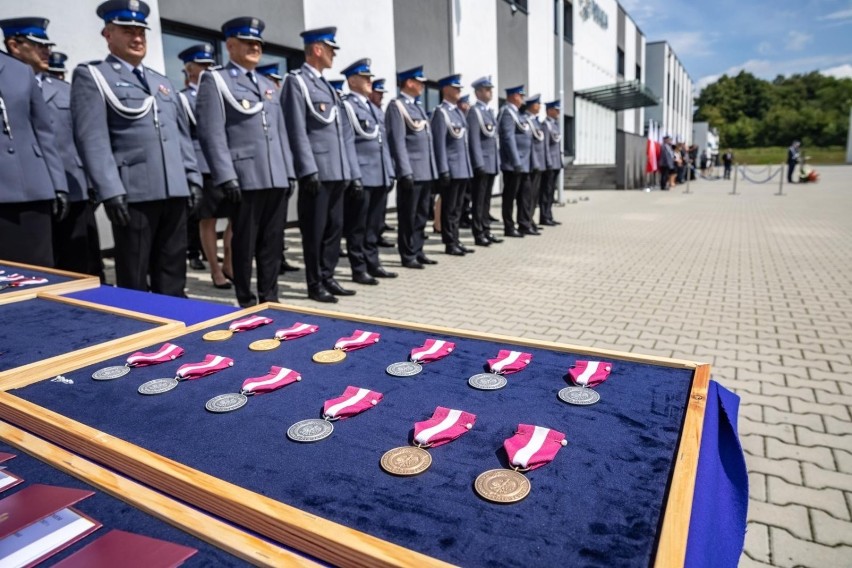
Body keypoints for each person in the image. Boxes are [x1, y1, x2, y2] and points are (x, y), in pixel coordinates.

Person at [72, 1, 201, 296]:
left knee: (172, 272)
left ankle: (176, 327)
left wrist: (192, 178)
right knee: (134, 274)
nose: (137, 37)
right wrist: (110, 190)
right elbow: (93, 139)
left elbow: (180, 136)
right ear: (108, 34)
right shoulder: (94, 76)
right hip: (134, 193)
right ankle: (138, 334)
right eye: (127, 31)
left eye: (141, 31)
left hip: (175, 191)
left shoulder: (160, 81)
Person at [196, 17, 295, 308]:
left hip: (275, 176)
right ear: (230, 45)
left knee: (272, 243)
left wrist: (288, 172)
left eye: (258, 43)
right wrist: (226, 176)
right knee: (244, 243)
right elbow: (211, 132)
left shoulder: (267, 85)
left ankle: (270, 297)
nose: (255, 47)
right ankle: (246, 299)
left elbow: (280, 132)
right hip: (244, 176)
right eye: (248, 42)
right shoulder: (216, 80)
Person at [2, 18, 102, 277]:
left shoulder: (39, 80)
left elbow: (55, 135)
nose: (45, 51)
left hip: (49, 187)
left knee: (63, 267)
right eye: (38, 45)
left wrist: (66, 184)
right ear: (14, 45)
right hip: (16, 188)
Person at [282, 26, 362, 303]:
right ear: (317, 49)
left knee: (334, 228)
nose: (333, 55)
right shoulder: (297, 82)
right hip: (317, 172)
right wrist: (307, 169)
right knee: (314, 232)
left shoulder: (328, 86)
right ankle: (314, 283)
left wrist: (351, 173)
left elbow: (342, 134)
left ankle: (328, 276)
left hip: (337, 172)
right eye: (330, 49)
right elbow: (296, 129)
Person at [0, 21, 67, 267]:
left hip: (31, 190)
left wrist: (58, 184)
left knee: (39, 275)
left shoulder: (19, 71)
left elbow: (43, 132)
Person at [176, 42, 233, 289]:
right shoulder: (183, 98)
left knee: (236, 218)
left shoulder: (222, 92)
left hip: (227, 164)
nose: (208, 69)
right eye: (202, 65)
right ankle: (215, 270)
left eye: (210, 64)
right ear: (190, 69)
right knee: (207, 221)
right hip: (204, 166)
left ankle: (229, 263)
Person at [340, 58, 397, 284]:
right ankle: (359, 267)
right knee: (358, 226)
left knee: (374, 225)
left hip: (379, 174)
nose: (369, 81)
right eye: (365, 78)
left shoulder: (373, 109)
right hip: (362, 175)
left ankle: (373, 263)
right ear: (352, 81)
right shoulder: (347, 107)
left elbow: (384, 143)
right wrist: (354, 175)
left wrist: (389, 171)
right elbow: (347, 143)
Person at [385, 65, 438, 269]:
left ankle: (418, 249)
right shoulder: (396, 106)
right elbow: (397, 142)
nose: (423, 86)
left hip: (424, 172)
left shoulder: (417, 107)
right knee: (408, 215)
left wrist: (432, 169)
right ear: (409, 83)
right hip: (411, 172)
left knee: (422, 214)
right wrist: (404, 171)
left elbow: (428, 142)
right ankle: (408, 254)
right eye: (420, 82)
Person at [432, 74, 473, 256]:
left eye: (459, 88)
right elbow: (439, 143)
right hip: (451, 168)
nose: (458, 91)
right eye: (455, 88)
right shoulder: (441, 113)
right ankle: (449, 242)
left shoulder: (457, 112)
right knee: (449, 208)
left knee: (458, 207)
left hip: (462, 167)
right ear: (445, 89)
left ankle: (456, 239)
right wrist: (443, 169)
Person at [467, 75, 501, 247]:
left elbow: (493, 140)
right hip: (482, 164)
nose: (490, 92)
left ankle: (486, 230)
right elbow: (474, 140)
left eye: (491, 89)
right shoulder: (475, 112)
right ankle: (478, 232)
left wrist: (497, 162)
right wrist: (478, 163)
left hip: (491, 163)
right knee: (479, 200)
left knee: (487, 200)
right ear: (478, 92)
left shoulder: (488, 112)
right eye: (487, 90)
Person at [498, 84, 532, 237]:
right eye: (520, 95)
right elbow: (508, 138)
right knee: (510, 197)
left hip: (523, 163)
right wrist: (515, 161)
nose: (522, 99)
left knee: (524, 195)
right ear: (513, 96)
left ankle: (524, 223)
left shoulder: (517, 113)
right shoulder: (507, 113)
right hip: (513, 164)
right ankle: (509, 227)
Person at [369, 77, 395, 248]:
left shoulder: (380, 112)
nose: (381, 96)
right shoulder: (366, 109)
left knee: (381, 205)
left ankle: (378, 232)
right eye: (378, 93)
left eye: (382, 93)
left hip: (383, 166)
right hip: (369, 169)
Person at [523, 94, 544, 235]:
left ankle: (531, 219)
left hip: (538, 163)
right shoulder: (526, 120)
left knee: (535, 195)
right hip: (530, 163)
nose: (540, 106)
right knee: (527, 196)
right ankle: (526, 222)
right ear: (532, 105)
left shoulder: (536, 121)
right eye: (538, 104)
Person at [540, 99, 563, 226]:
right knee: (546, 191)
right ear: (549, 111)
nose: (558, 112)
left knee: (551, 191)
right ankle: (544, 216)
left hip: (556, 163)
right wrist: (548, 162)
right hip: (549, 164)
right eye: (556, 109)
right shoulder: (545, 125)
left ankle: (549, 215)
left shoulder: (555, 124)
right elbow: (546, 147)